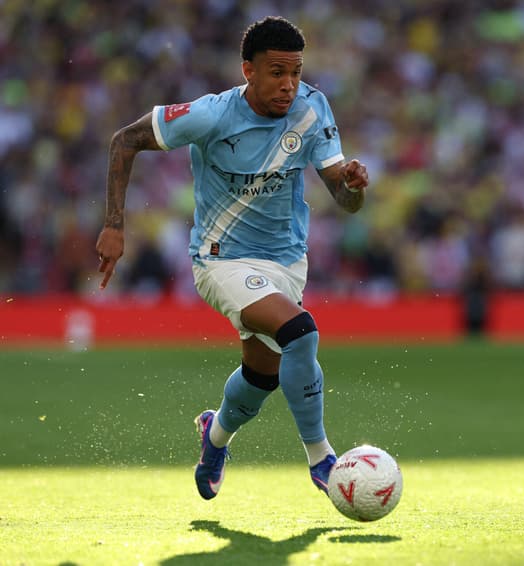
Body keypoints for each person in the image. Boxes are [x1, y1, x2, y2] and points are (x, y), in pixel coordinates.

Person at [95, 16, 370, 500]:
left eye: (296, 73)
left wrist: (352, 187)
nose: (288, 85)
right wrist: (115, 224)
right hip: (221, 260)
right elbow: (125, 141)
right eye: (277, 73)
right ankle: (322, 458)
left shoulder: (312, 108)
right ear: (248, 70)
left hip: (286, 261)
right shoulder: (211, 115)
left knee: (262, 376)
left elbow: (344, 200)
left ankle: (215, 435)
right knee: (300, 332)